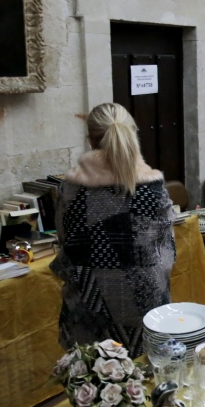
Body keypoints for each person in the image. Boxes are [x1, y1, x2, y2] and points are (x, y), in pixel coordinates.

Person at [52, 102, 175, 358]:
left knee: (94, 377)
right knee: (150, 375)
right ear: (132, 134)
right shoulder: (151, 187)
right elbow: (166, 250)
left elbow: (65, 244)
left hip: (87, 307)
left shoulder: (71, 189)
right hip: (146, 308)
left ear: (90, 140)